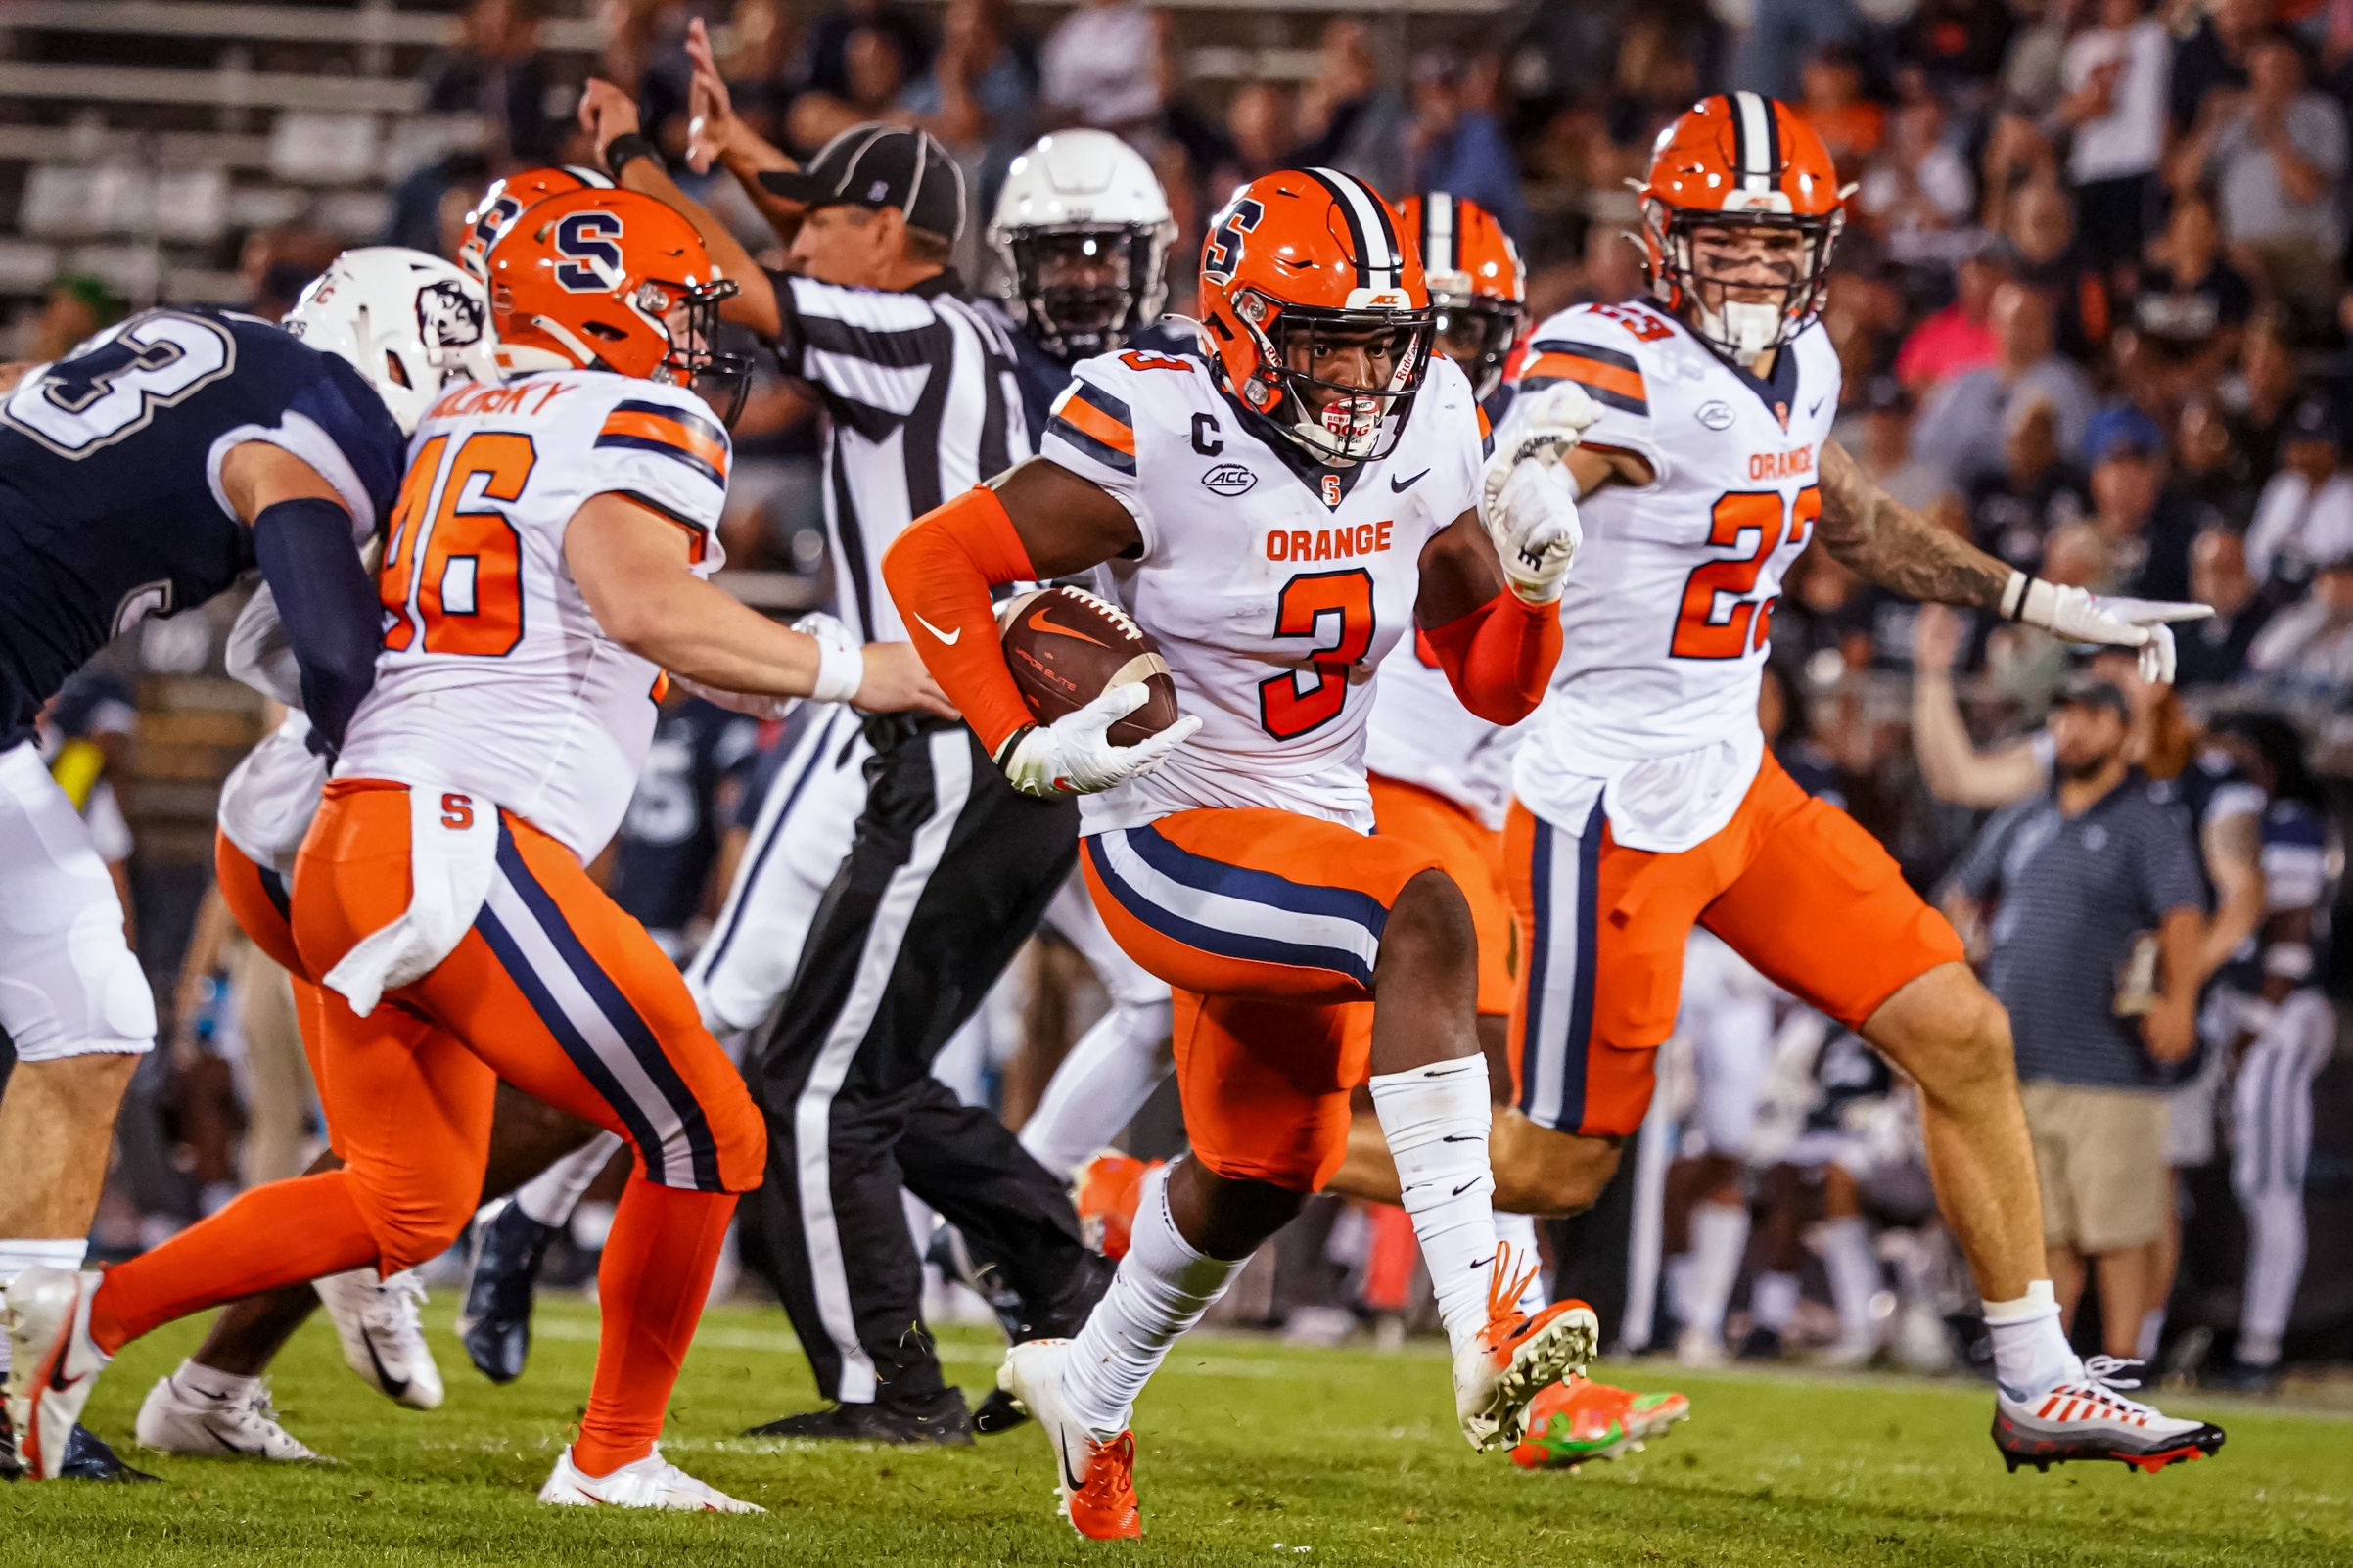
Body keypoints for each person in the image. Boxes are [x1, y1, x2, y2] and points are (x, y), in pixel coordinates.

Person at [6, 189, 946, 1508]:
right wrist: (862, 667)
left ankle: (85, 1332)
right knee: (710, 1131)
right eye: (676, 313)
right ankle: (613, 1456)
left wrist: (728, 669)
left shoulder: (441, 422)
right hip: (455, 841)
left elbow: (282, 642)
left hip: (326, 831)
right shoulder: (635, 415)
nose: (697, 343)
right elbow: (639, 600)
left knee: (405, 1200)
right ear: (603, 311)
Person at [1455, 92, 2224, 1473]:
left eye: (1777, 245)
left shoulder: (1801, 360)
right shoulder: (1607, 351)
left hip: (1738, 787)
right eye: (1726, 243)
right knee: (1548, 1166)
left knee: (1962, 1031)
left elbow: (1851, 519)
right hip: (1612, 806)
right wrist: (1533, 490)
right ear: (1663, 239)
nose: (1754, 271)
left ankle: (2040, 1377)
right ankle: (1230, 1162)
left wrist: (2047, 603)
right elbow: (1540, 453)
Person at [884, 167, 1597, 1538]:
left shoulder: (1431, 415)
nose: (1356, 374)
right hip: (1166, 825)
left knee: (1262, 1166)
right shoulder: (1151, 419)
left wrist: (1533, 589)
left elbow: (1494, 682)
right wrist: (1013, 740)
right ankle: (1487, 1309)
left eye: (1378, 343)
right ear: (1237, 324)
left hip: (1310, 824)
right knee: (1426, 911)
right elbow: (933, 563)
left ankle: (1090, 1385)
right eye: (1324, 339)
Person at [583, 60, 1121, 1442]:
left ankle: (890, 1386)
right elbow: (816, 238)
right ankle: (1065, 1280)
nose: (791, 234)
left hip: (954, 749)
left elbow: (746, 290)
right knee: (865, 1069)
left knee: (808, 1085)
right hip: (1003, 757)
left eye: (822, 219)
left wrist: (637, 152)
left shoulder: (912, 336)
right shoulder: (981, 333)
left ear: (887, 237)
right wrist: (745, 147)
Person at [0, 250, 438, 1480]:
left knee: (87, 1008)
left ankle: (6, 1391)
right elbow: (336, 649)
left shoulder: (190, 339)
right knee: (82, 1006)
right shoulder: (321, 422)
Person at [1939, 674, 2208, 1368]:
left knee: (2117, 1230)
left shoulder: (2146, 822)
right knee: (2048, 1232)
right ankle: (2055, 1368)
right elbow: (1960, 892)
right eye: (2063, 715)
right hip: (2022, 1056)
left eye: (2091, 717)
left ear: (2122, 732)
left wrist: (2179, 1001)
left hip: (2110, 1062)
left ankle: (2122, 1360)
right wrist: (1963, 936)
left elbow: (2182, 914)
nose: (2073, 730)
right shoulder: (2028, 817)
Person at [2198, 713, 2334, 1391]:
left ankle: (2260, 1348)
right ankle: (2246, 1340)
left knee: (2271, 1186)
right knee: (2249, 1184)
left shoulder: (2286, 822)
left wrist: (2257, 1020)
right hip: (2240, 1016)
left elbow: (2291, 928)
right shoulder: (2231, 818)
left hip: (2277, 1018)